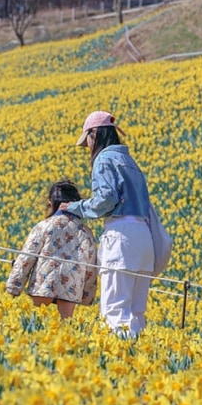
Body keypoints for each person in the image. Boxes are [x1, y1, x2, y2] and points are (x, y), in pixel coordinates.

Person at [60, 110, 155, 337]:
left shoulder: (104, 159)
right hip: (144, 239)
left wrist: (74, 207)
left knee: (114, 310)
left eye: (88, 140)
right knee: (136, 312)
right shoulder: (130, 162)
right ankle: (139, 359)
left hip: (121, 236)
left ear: (95, 134)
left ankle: (119, 362)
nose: (89, 147)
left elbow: (106, 200)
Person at [6, 180, 97, 319]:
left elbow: (26, 258)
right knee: (65, 327)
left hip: (44, 285)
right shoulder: (86, 231)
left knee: (37, 324)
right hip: (71, 288)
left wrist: (14, 287)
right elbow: (90, 266)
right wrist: (86, 296)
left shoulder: (44, 226)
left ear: (50, 203)